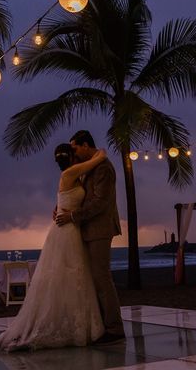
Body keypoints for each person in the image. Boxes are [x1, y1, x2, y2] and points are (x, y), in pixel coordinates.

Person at [0, 143, 106, 351]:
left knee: (72, 275)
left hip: (69, 227)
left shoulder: (69, 175)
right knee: (69, 273)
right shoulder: (71, 172)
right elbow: (97, 160)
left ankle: (76, 321)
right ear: (72, 156)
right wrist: (99, 152)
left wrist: (58, 208)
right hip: (67, 230)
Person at [55, 130, 125, 344]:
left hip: (99, 229)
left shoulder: (103, 167)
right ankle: (102, 324)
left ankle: (114, 328)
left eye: (75, 148)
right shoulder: (90, 166)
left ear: (86, 145)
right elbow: (78, 194)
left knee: (102, 278)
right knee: (93, 278)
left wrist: (72, 216)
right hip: (85, 228)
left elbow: (100, 202)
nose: (73, 153)